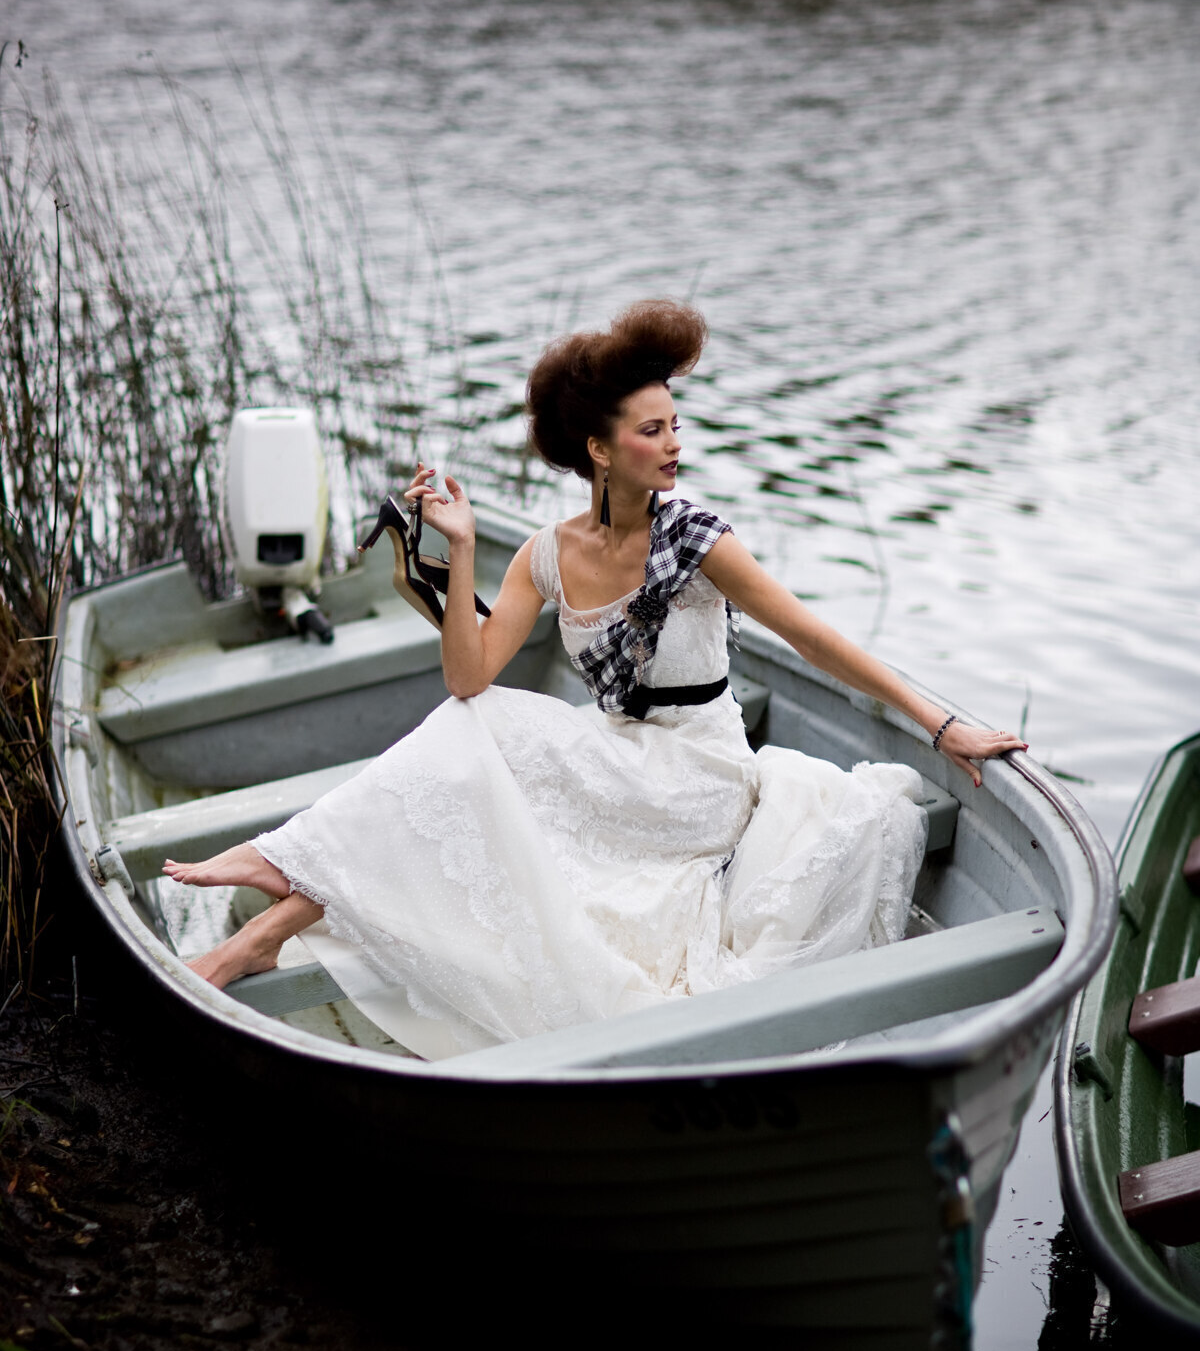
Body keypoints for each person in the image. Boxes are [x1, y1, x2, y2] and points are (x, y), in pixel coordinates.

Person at [164, 301, 1025, 1060]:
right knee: (473, 733)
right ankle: (274, 919)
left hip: (699, 778)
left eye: (676, 426)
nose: (674, 445)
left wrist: (943, 725)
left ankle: (282, 872)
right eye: (652, 431)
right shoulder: (546, 553)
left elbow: (813, 635)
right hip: (619, 761)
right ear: (598, 448)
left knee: (479, 749)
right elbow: (468, 677)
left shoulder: (696, 540)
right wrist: (461, 549)